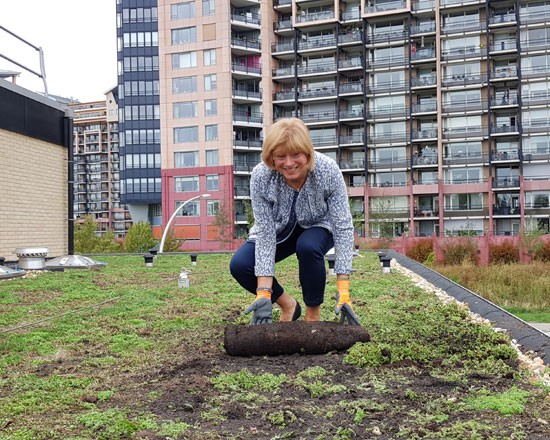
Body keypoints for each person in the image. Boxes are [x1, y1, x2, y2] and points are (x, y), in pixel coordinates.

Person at [229, 118, 360, 325]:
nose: (289, 163)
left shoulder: (327, 170)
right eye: (280, 157)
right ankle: (289, 305)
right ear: (271, 157)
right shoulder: (261, 176)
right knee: (241, 264)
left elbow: (342, 227)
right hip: (279, 230)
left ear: (307, 153)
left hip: (319, 226)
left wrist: (343, 291)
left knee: (308, 246)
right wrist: (264, 293)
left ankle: (312, 315)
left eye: (296, 155)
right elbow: (265, 231)